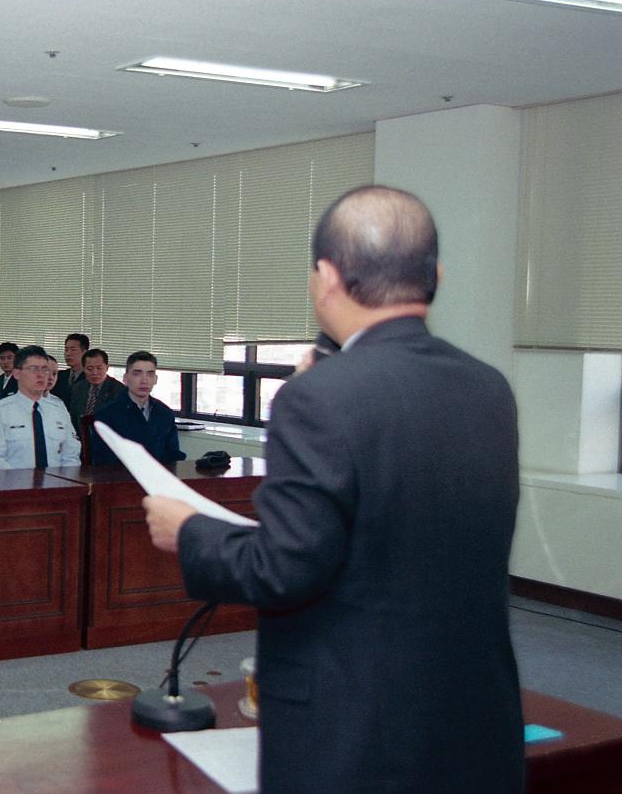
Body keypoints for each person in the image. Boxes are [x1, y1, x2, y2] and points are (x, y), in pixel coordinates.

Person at [143, 186, 523, 792]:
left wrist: (188, 531)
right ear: (436, 277)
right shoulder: (488, 388)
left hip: (358, 728)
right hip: (469, 714)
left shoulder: (319, 397)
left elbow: (284, 570)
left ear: (325, 276)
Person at [0, 345, 80, 469]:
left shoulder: (58, 408)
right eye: (34, 369)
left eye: (45, 369)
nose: (41, 375)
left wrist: (63, 484)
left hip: (57, 484)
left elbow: (71, 455)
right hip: (14, 485)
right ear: (17, 373)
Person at [89, 350, 183, 465]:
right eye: (137, 373)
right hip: (120, 479)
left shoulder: (164, 413)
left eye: (150, 374)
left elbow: (173, 455)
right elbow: (103, 460)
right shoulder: (107, 414)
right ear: (125, 378)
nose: (144, 380)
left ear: (155, 379)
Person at [69, 348, 125, 422]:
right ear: (83, 369)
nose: (95, 373)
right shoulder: (78, 388)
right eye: (90, 368)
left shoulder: (119, 390)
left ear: (107, 367)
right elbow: (73, 417)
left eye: (99, 368)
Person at [50, 333, 89, 404]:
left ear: (85, 353)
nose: (68, 354)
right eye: (66, 349)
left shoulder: (90, 377)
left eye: (73, 350)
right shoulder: (58, 376)